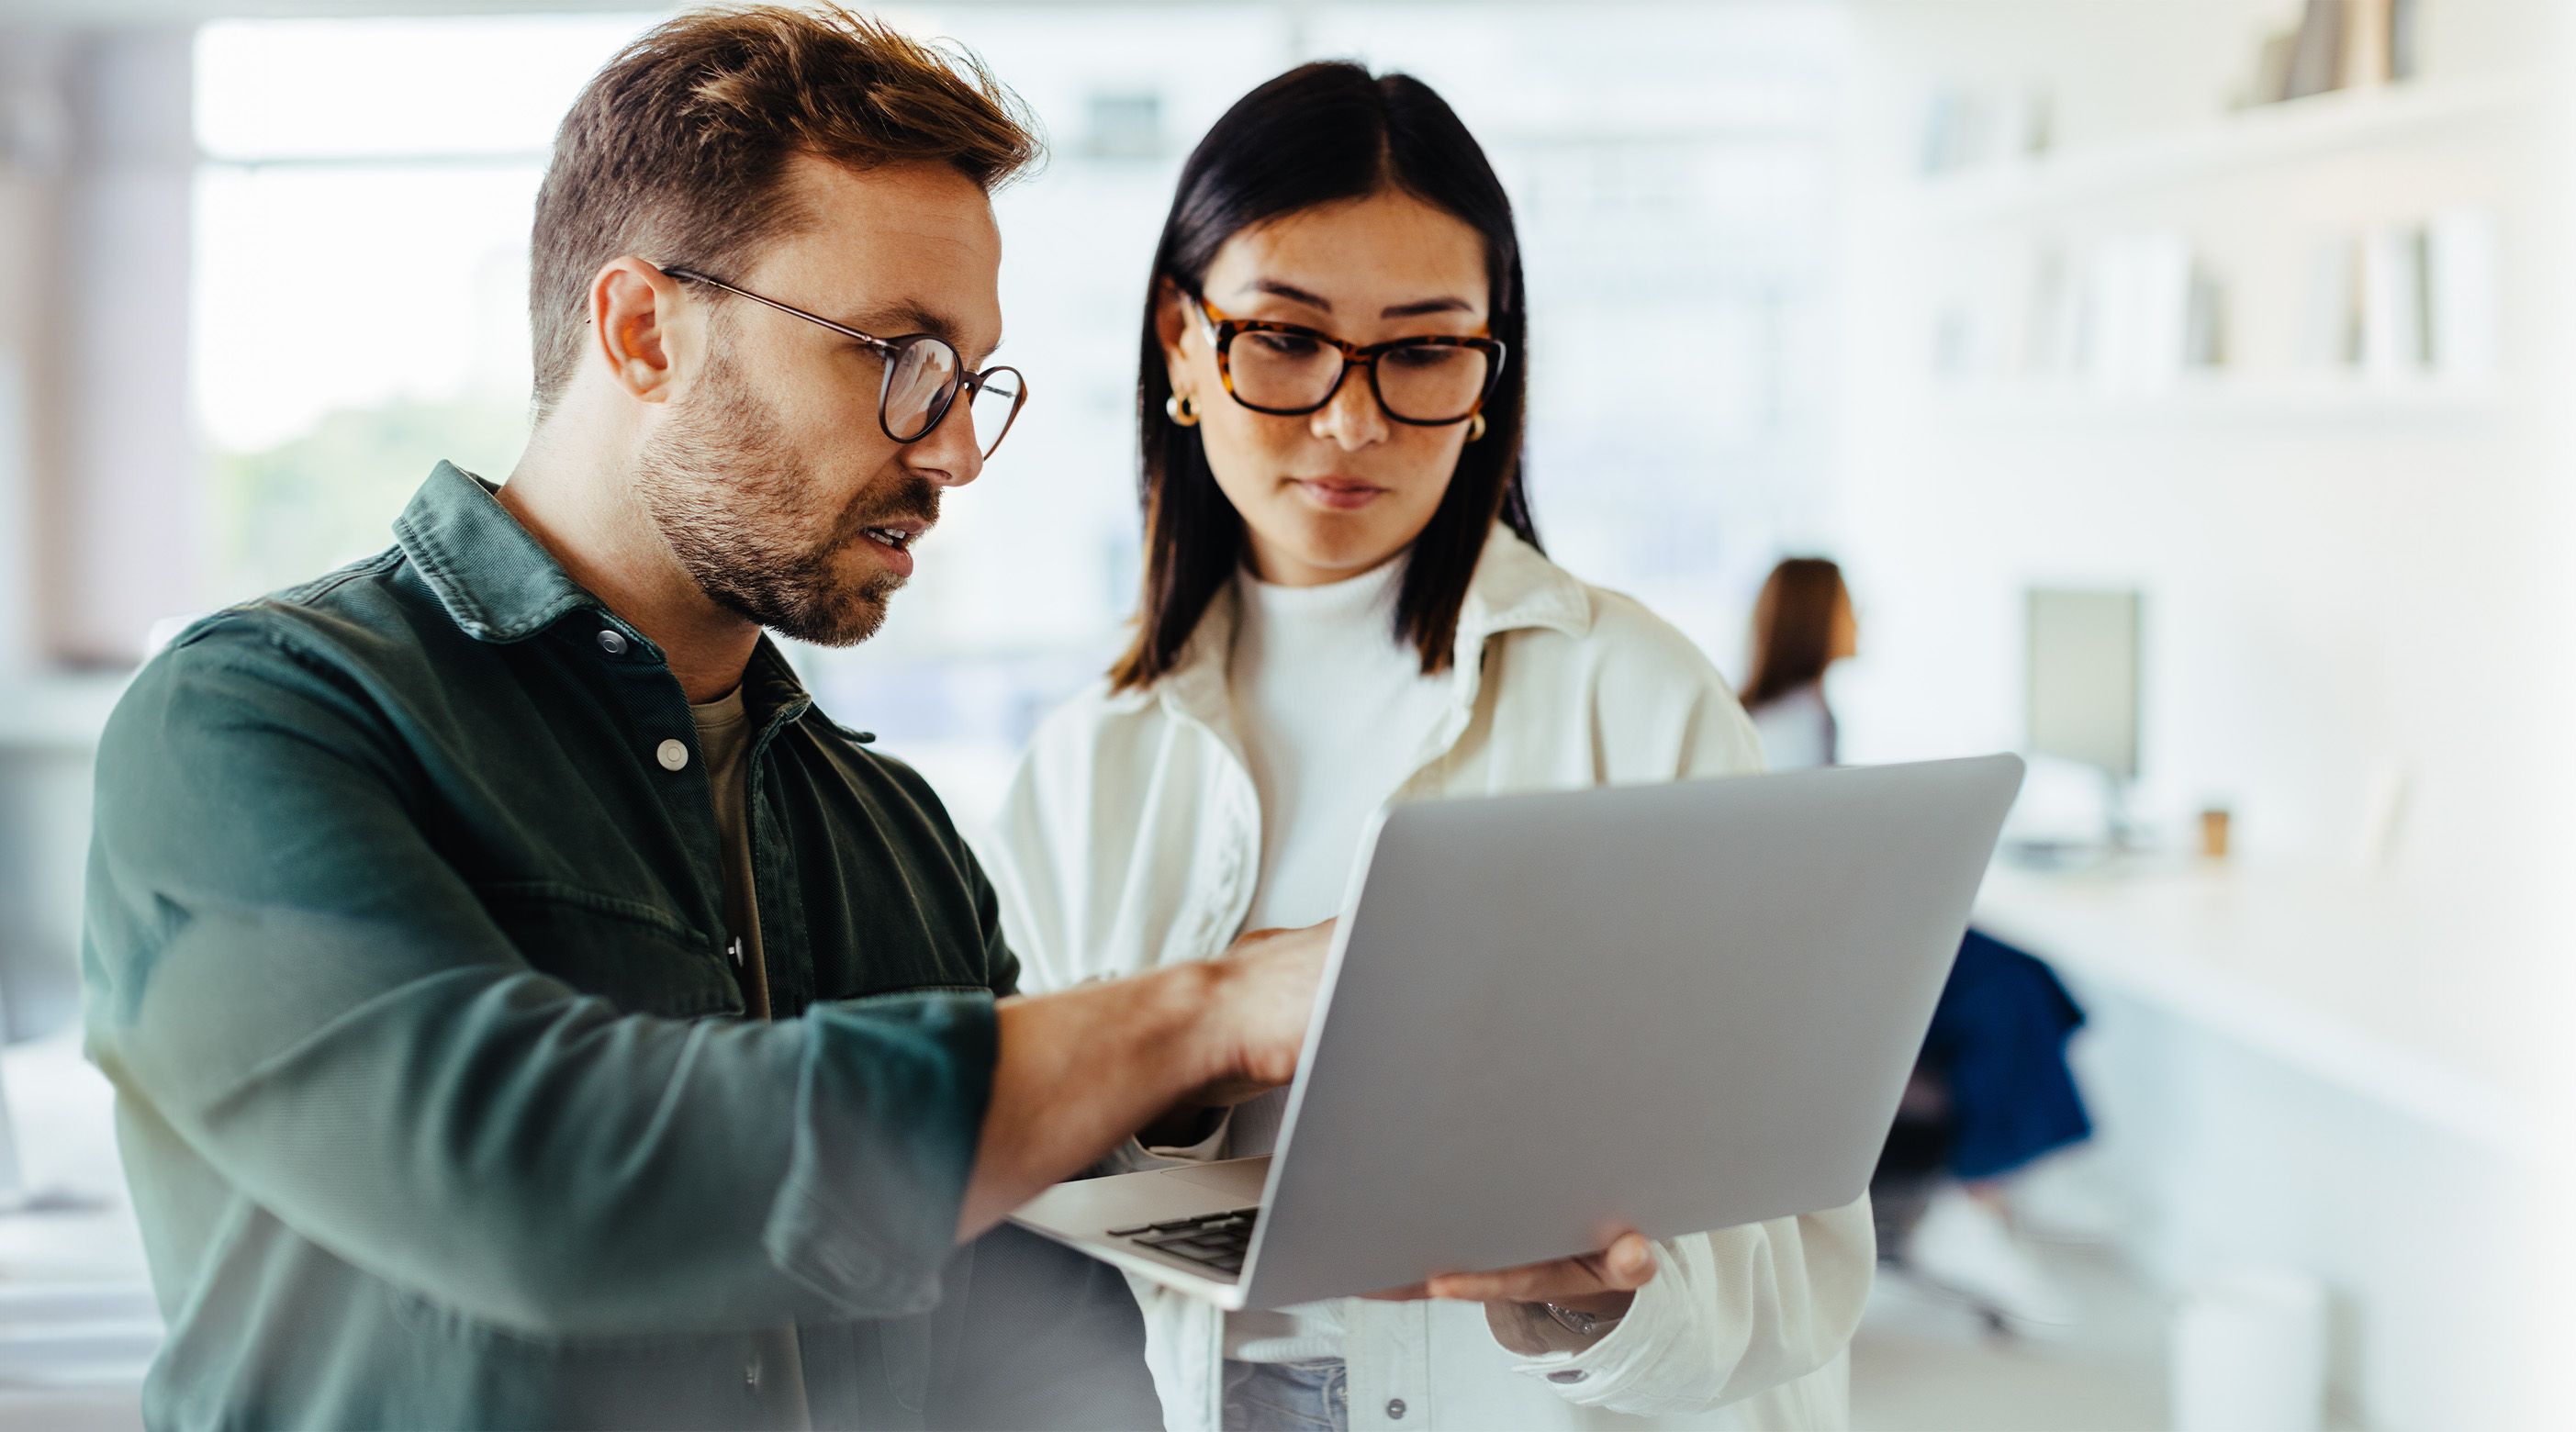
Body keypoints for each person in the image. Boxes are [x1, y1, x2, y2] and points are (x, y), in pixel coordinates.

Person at [79, 11, 1329, 1429]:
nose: (958, 449)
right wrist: (1201, 1014)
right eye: (902, 357)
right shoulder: (254, 723)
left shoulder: (893, 835)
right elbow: (532, 1179)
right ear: (644, 330)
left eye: (973, 379)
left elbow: (1040, 1356)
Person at [983, 62, 1874, 1432]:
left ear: (1487, 370)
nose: (1354, 419)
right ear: (1179, 340)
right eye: (1285, 337)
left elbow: (1801, 1266)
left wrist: (1591, 1303)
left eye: (1420, 350)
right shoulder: (1083, 767)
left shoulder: (1632, 697)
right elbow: (1020, 1195)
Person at [1739, 557, 2093, 1328]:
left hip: (1847, 936)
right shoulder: (1788, 727)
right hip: (1823, 964)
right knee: (2007, 997)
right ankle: (1983, 1195)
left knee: (2034, 980)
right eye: (1849, 609)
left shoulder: (1805, 712)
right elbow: (1798, 879)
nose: (1861, 622)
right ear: (1815, 620)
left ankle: (2013, 1169)